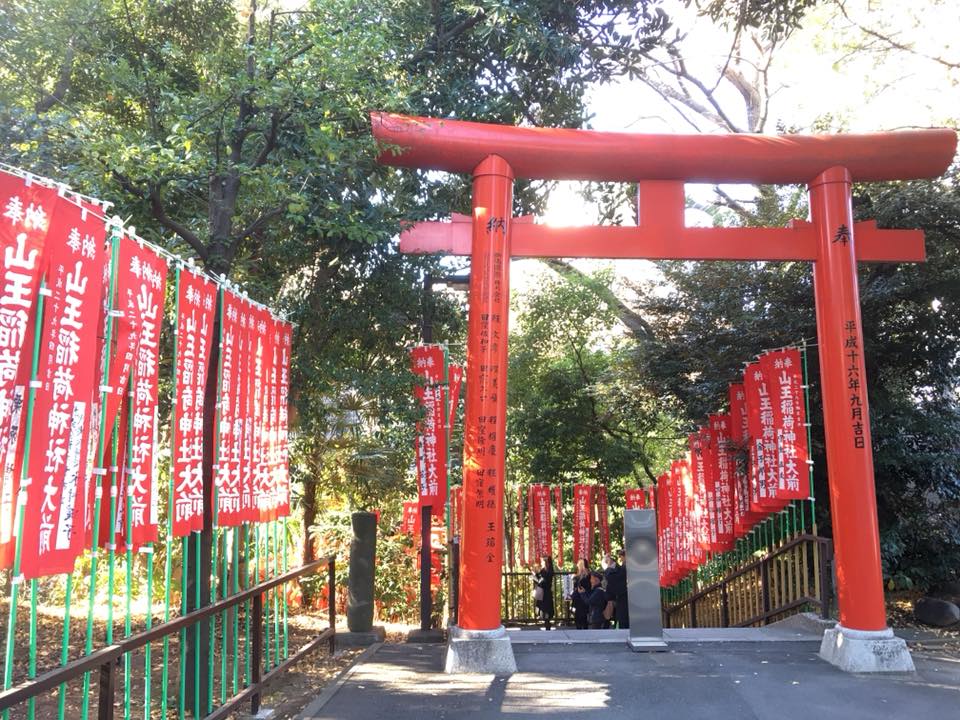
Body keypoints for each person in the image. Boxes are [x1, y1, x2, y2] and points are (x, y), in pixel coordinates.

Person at [532, 555, 555, 630]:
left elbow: (546, 581)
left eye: (542, 561)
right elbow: (539, 579)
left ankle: (548, 625)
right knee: (543, 609)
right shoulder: (542, 570)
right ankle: (547, 624)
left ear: (545, 562)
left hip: (546, 593)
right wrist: (535, 576)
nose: (541, 562)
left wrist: (539, 579)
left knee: (547, 609)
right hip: (543, 592)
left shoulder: (549, 571)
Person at [570, 559, 591, 629]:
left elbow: (584, 585)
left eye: (579, 563)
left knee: (582, 617)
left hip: (583, 597)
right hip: (578, 598)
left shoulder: (587, 574)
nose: (577, 565)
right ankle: (579, 628)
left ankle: (583, 629)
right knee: (578, 616)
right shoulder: (578, 574)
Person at [615, 548, 629, 629]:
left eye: (621, 556)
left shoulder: (625, 566)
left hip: (624, 593)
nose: (620, 558)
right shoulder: (623, 566)